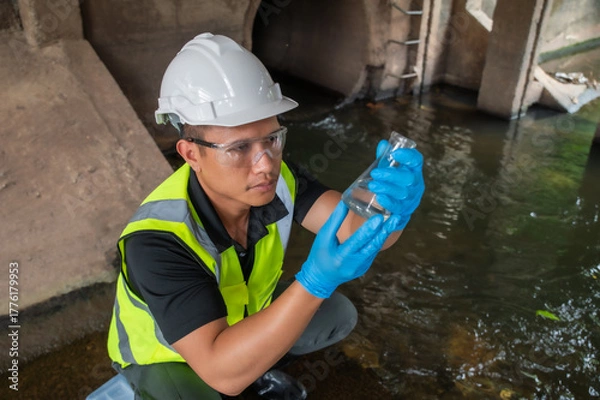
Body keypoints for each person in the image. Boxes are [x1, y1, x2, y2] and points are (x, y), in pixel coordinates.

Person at [106, 32, 424, 399]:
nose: (265, 165)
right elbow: (219, 370)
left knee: (337, 315)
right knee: (216, 386)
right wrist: (314, 281)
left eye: (272, 139)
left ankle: (254, 366)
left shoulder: (279, 180)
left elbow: (356, 230)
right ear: (191, 154)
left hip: (238, 322)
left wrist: (391, 210)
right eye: (239, 147)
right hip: (167, 359)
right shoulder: (157, 240)